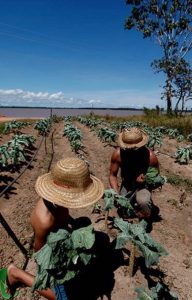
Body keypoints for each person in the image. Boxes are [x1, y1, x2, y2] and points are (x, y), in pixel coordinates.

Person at [3, 157, 104, 300]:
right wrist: (63, 266)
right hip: (49, 255)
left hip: (58, 243)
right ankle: (15, 273)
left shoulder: (59, 201)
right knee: (62, 298)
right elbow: (41, 256)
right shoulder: (44, 220)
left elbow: (64, 220)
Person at [109, 127, 159, 219]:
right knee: (122, 210)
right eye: (127, 148)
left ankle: (144, 205)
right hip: (127, 183)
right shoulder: (118, 154)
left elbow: (156, 180)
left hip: (143, 186)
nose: (130, 150)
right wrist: (116, 194)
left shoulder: (151, 157)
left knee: (144, 203)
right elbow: (113, 176)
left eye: (134, 148)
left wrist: (146, 181)